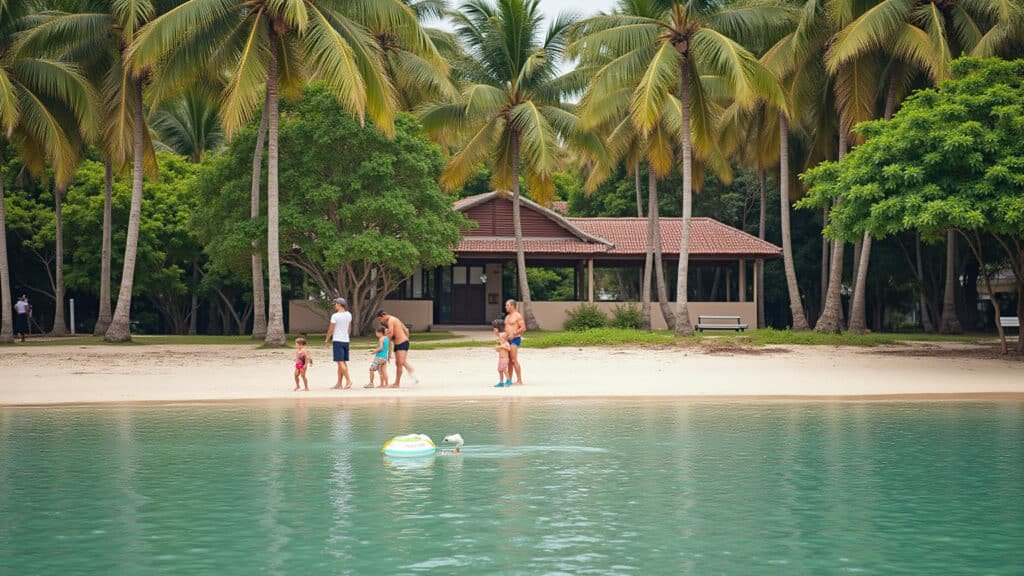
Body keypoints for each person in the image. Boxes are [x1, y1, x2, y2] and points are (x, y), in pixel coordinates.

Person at [377, 310, 418, 387]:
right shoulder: (396, 319)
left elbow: (391, 333)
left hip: (402, 343)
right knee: (398, 363)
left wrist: (384, 342)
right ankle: (397, 383)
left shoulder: (390, 320)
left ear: (383, 316)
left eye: (380, 319)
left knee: (401, 362)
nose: (380, 321)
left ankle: (414, 376)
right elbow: (406, 330)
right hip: (399, 343)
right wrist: (406, 338)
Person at [324, 297, 353, 390]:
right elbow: (349, 328)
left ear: (339, 304)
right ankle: (339, 383)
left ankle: (348, 381)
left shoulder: (335, 316)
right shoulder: (349, 314)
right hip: (346, 341)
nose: (335, 305)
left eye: (335, 304)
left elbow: (331, 329)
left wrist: (327, 339)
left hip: (338, 340)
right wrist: (347, 336)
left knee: (340, 362)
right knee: (342, 362)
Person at [504, 300, 526, 385]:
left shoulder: (518, 316)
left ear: (512, 306)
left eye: (507, 305)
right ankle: (509, 380)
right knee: (508, 360)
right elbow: (506, 329)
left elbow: (523, 328)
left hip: (515, 339)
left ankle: (519, 380)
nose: (506, 307)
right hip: (507, 340)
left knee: (513, 360)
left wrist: (514, 333)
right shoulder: (507, 317)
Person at [492, 319, 512, 387]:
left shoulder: (506, 343)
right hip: (500, 358)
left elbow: (509, 349)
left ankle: (508, 380)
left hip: (505, 358)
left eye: (502, 338)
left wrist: (502, 347)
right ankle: (501, 382)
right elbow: (498, 349)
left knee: (504, 369)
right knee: (499, 370)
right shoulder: (501, 343)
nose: (500, 339)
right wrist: (498, 348)